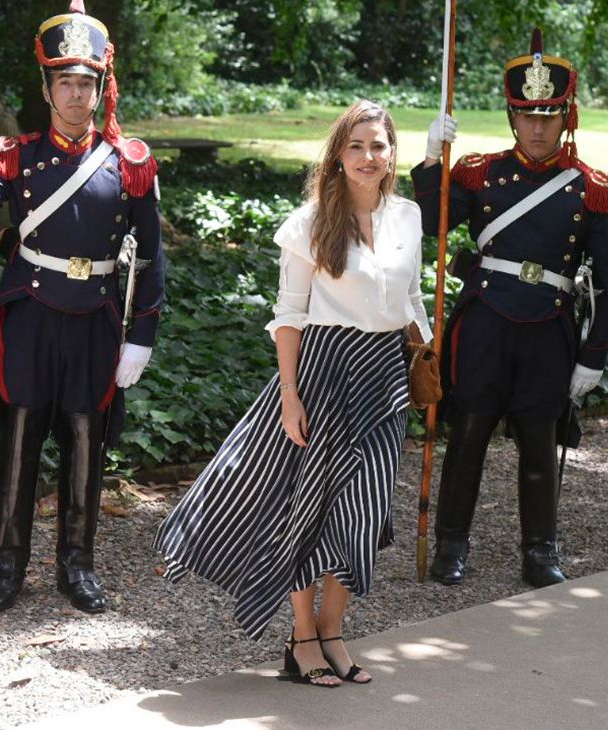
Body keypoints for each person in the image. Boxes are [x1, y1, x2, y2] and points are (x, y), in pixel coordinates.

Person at [154, 101, 432, 687]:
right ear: (337, 155)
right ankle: (304, 640)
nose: (366, 157)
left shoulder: (408, 215)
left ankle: (334, 631)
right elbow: (289, 315)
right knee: (308, 509)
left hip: (383, 376)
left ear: (391, 154)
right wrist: (289, 395)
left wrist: (427, 353)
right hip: (324, 369)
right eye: (355, 146)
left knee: (363, 512)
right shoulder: (310, 222)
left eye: (377, 146)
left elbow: (410, 300)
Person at [0, 0, 164, 614]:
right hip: (31, 314)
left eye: (85, 83)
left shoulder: (130, 163)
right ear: (46, 88)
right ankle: (6, 564)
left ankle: (78, 565)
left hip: (95, 316)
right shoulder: (15, 154)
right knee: (19, 435)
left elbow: (149, 255)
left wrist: (142, 333)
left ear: (101, 89)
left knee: (86, 441)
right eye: (64, 82)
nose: (75, 94)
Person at [410, 28, 608, 588]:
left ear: (565, 116)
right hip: (485, 322)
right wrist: (431, 160)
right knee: (470, 432)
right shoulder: (479, 174)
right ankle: (451, 545)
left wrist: (592, 355)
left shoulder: (590, 189)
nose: (536, 126)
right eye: (526, 115)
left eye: (548, 116)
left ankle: (539, 551)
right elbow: (432, 225)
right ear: (512, 116)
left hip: (549, 326)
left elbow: (605, 281)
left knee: (538, 439)